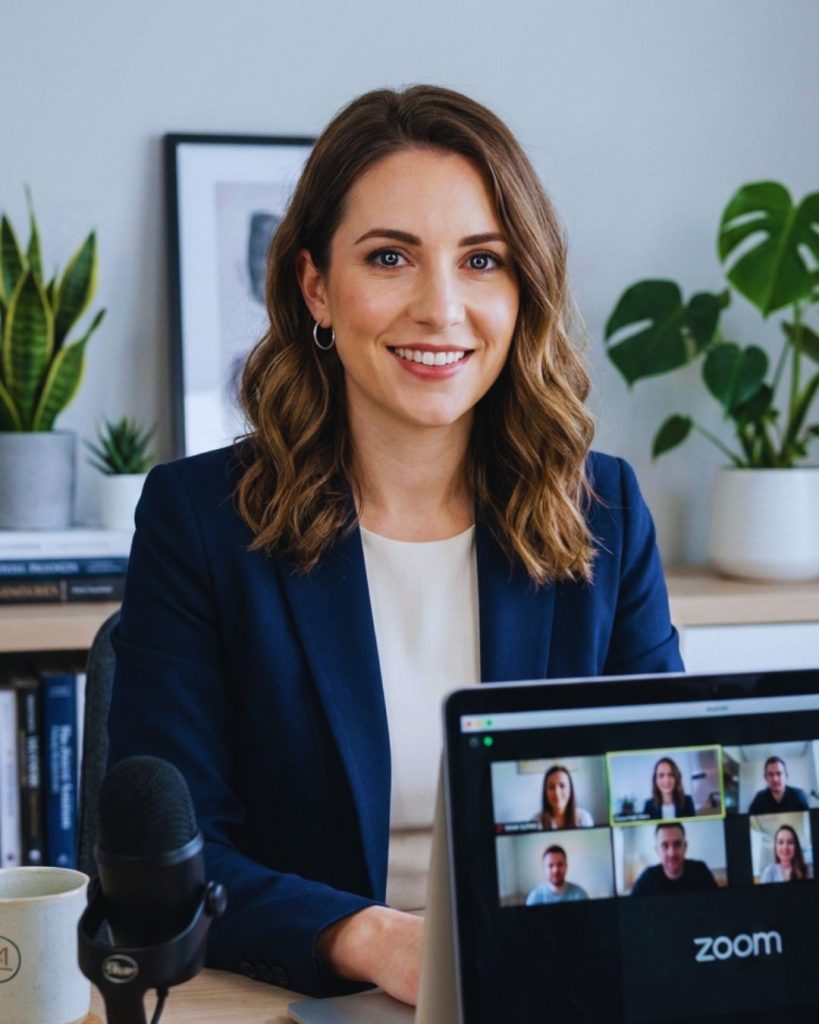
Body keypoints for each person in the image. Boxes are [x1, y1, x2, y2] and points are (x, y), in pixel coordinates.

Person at [107, 85, 683, 1006]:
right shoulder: (198, 519)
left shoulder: (602, 509)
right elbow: (178, 857)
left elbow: (661, 802)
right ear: (315, 288)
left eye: (482, 260)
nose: (440, 308)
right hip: (297, 999)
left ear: (521, 289)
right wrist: (374, 940)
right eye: (389, 257)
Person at [630, 824, 717, 895]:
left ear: (685, 847)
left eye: (677, 844)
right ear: (657, 850)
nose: (672, 853)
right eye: (665, 845)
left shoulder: (700, 871)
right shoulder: (647, 877)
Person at [533, 765, 594, 829]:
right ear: (545, 792)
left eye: (562, 786)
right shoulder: (536, 821)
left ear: (570, 789)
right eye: (551, 787)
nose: (557, 792)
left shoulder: (584, 818)